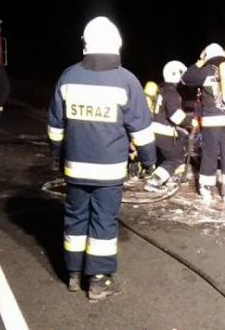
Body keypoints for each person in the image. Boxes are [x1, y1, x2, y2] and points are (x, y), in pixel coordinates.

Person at [48, 16, 155, 301]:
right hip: (109, 171)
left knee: (75, 217)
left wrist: (57, 156)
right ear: (117, 43)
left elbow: (55, 125)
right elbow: (141, 128)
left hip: (75, 168)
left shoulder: (68, 76)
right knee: (103, 223)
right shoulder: (126, 81)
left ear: (85, 43)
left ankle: (72, 274)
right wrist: (148, 161)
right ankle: (98, 280)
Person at [181, 43, 225, 201]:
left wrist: (199, 62)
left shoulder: (206, 70)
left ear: (207, 56)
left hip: (212, 120)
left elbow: (185, 78)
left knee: (210, 153)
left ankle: (206, 188)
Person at [144, 60, 194, 192]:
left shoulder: (162, 89)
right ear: (175, 74)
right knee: (174, 157)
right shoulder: (171, 93)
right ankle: (154, 181)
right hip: (163, 130)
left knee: (179, 149)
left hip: (153, 128)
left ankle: (171, 177)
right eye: (182, 74)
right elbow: (176, 117)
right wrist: (191, 121)